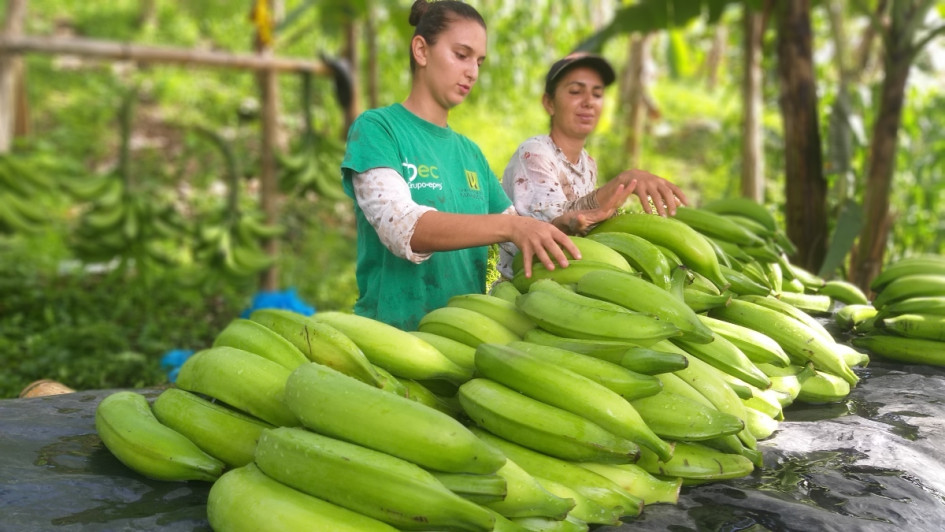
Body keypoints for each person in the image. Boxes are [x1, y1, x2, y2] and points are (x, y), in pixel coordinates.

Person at [340, 0, 581, 331]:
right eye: (461, 55)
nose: (473, 72)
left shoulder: (470, 154)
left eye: (479, 61)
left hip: (464, 339)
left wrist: (566, 222)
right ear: (421, 51)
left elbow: (516, 235)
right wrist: (512, 227)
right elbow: (401, 227)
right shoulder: (378, 129)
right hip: (391, 339)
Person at [497, 52, 689, 279]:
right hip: (527, 283)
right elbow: (548, 227)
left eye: (597, 94)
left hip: (574, 276)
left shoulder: (588, 164)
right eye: (575, 91)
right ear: (549, 103)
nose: (588, 102)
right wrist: (623, 181)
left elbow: (582, 229)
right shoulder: (535, 152)